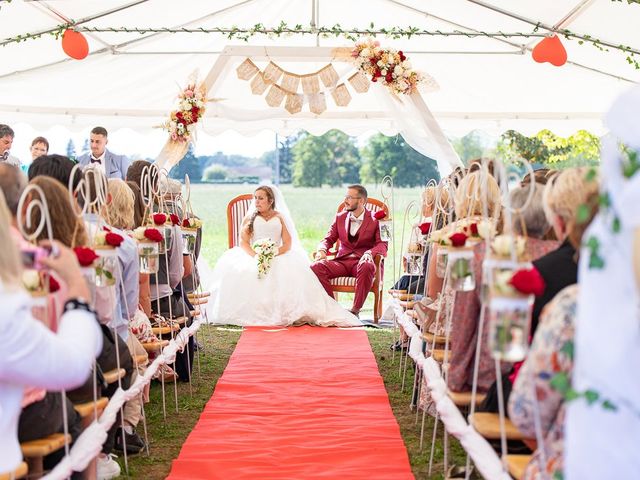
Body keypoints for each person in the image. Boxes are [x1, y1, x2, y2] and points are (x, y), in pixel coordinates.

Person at [0, 188, 102, 475]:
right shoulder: (22, 276)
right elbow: (72, 366)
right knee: (72, 413)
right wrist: (77, 288)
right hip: (30, 403)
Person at [207, 185, 360, 327]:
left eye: (261, 198)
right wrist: (256, 256)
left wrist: (273, 253)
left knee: (289, 272)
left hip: (278, 253)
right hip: (254, 254)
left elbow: (287, 243)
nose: (257, 201)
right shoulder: (250, 218)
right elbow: (243, 242)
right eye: (255, 198)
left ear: (270, 201)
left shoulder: (279, 217)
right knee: (246, 272)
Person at [311, 184, 388, 318]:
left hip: (362, 262)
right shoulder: (340, 217)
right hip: (342, 262)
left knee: (368, 266)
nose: (345, 201)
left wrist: (369, 253)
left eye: (349, 197)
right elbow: (328, 238)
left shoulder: (379, 220)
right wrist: (322, 250)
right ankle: (333, 308)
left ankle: (355, 311)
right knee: (315, 267)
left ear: (361, 201)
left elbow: (383, 245)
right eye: (345, 197)